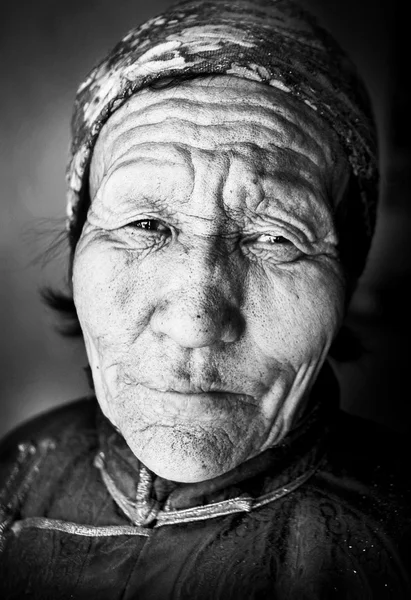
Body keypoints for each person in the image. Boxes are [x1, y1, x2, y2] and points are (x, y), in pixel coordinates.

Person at [0, 0, 410, 597]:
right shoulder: (14, 479)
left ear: (346, 279)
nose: (195, 322)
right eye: (144, 225)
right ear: (78, 248)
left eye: (274, 238)